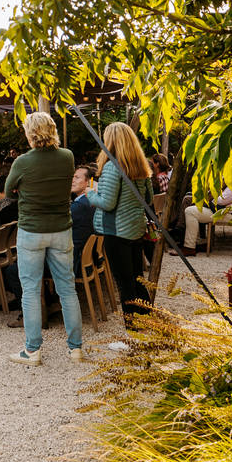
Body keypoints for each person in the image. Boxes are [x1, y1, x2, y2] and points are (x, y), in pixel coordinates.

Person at [2, 112, 83, 365]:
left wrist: (24, 188)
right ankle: (75, 348)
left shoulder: (22, 162)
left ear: (30, 134)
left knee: (30, 291)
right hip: (61, 228)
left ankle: (33, 349)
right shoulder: (67, 157)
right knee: (67, 289)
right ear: (53, 130)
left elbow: (8, 191)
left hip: (31, 230)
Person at [86, 122, 156, 319]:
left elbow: (107, 204)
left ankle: (132, 328)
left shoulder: (111, 167)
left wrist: (90, 193)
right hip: (136, 228)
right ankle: (147, 319)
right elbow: (149, 199)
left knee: (124, 283)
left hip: (116, 231)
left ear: (109, 141)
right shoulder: (141, 167)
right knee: (137, 278)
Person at [182, 175, 232, 254]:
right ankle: (197, 242)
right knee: (193, 204)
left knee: (190, 211)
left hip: (227, 213)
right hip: (224, 210)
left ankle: (189, 247)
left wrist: (210, 197)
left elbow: (222, 201)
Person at [69, 165, 96, 273]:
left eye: (77, 177)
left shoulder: (80, 205)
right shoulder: (89, 201)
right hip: (87, 261)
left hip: (74, 263)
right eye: (72, 177)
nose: (72, 180)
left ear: (87, 182)